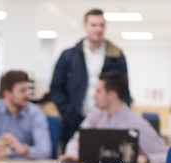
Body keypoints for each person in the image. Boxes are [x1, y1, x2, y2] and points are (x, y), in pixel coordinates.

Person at [59, 71, 168, 163]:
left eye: (98, 91)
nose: (94, 95)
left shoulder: (136, 123)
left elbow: (167, 154)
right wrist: (74, 153)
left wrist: (147, 158)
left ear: (112, 95)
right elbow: (75, 139)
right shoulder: (96, 116)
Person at [50, 8, 130, 150]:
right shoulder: (68, 56)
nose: (98, 29)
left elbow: (124, 91)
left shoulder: (117, 57)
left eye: (101, 25)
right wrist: (68, 112)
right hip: (73, 121)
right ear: (85, 26)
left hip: (106, 122)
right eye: (93, 25)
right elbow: (56, 88)